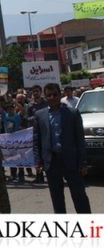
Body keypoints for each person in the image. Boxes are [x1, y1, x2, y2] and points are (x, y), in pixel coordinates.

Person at [33, 83, 91, 214]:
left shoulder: (72, 113)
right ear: (45, 97)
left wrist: (83, 162)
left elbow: (80, 140)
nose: (52, 97)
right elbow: (36, 140)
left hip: (71, 161)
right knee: (57, 199)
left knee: (79, 196)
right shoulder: (39, 115)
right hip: (51, 162)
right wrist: (38, 161)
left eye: (55, 94)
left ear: (60, 95)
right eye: (49, 95)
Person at [28, 85, 48, 184]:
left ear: (40, 92)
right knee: (37, 154)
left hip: (46, 132)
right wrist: (35, 117)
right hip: (35, 132)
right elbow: (28, 118)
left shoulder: (46, 103)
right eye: (33, 91)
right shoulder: (30, 105)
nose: (35, 93)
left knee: (47, 152)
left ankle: (51, 175)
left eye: (37, 91)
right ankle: (39, 176)